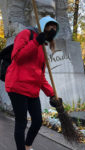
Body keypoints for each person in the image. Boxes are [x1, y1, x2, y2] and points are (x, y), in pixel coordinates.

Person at [5, 16, 62, 150]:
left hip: (32, 89)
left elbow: (40, 75)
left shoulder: (43, 45)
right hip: (17, 86)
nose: (52, 29)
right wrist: (35, 42)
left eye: (55, 27)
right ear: (42, 26)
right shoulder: (26, 34)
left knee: (37, 121)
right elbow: (17, 58)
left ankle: (27, 146)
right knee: (21, 122)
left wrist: (52, 94)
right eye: (50, 26)